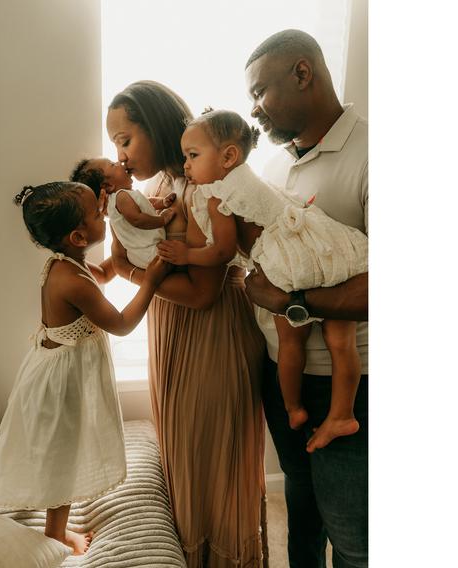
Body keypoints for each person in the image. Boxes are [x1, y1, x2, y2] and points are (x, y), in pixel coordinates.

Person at [105, 80, 268, 567]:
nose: (121, 154)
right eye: (115, 144)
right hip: (172, 330)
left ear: (155, 127)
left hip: (211, 332)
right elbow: (121, 254)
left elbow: (201, 293)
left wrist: (137, 273)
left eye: (125, 139)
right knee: (181, 458)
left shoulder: (204, 186)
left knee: (211, 463)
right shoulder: (154, 191)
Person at [156, 108, 368, 452]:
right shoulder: (252, 177)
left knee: (290, 341)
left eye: (192, 156)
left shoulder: (217, 195)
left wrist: (188, 255)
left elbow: (223, 252)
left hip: (290, 264)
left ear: (228, 156)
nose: (186, 166)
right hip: (326, 247)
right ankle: (343, 413)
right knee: (341, 341)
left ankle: (294, 408)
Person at [243, 29, 370, 568]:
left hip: (349, 384)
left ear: (302, 73)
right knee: (301, 508)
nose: (254, 111)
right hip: (284, 373)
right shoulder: (274, 166)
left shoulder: (373, 155)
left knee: (353, 537)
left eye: (259, 92)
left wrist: (286, 299)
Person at [0, 181, 169, 555]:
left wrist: (120, 255)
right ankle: (55, 533)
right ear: (77, 235)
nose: (105, 213)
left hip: (53, 369)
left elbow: (102, 275)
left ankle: (49, 517)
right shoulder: (71, 279)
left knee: (55, 445)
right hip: (61, 381)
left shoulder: (66, 263)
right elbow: (120, 324)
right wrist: (150, 280)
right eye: (98, 214)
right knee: (63, 451)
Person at [71, 157, 176, 269]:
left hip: (140, 255)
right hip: (150, 252)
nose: (119, 162)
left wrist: (162, 202)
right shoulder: (121, 197)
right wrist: (162, 219)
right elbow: (138, 219)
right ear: (108, 186)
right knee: (172, 263)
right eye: (112, 164)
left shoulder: (119, 200)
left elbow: (144, 203)